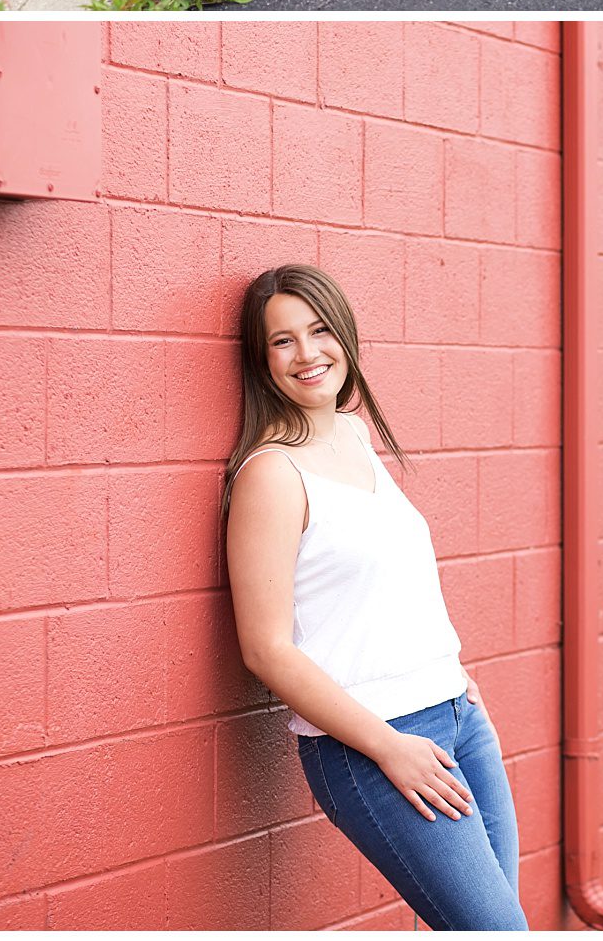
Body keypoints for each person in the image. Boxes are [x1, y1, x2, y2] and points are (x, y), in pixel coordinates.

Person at [224, 265, 529, 932]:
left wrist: (454, 677)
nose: (307, 354)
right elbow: (265, 650)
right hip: (374, 747)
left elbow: (386, 582)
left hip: (458, 720)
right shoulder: (271, 475)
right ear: (260, 359)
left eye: (320, 330)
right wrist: (389, 747)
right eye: (282, 341)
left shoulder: (353, 435)